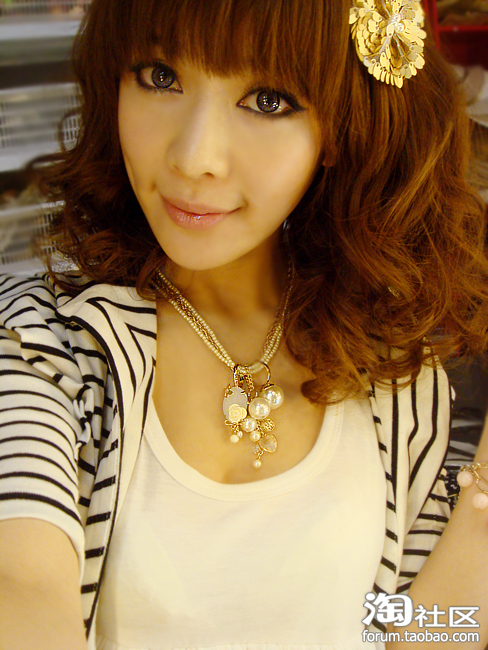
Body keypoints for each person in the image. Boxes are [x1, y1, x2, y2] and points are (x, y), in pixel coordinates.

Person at [0, 0, 488, 648]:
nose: (194, 157)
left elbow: (417, 630)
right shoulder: (43, 344)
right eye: (159, 76)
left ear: (341, 128)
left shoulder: (394, 368)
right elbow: (21, 584)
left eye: (267, 101)